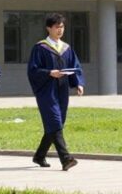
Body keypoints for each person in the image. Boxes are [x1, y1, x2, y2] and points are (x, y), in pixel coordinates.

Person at [26, 13, 83, 171]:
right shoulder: (40, 48)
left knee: (57, 123)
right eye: (57, 27)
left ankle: (39, 156)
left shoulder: (66, 48)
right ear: (48, 28)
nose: (60, 30)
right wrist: (49, 73)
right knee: (55, 121)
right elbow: (33, 70)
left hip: (62, 89)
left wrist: (78, 83)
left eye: (62, 27)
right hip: (46, 90)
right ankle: (66, 158)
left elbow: (75, 66)